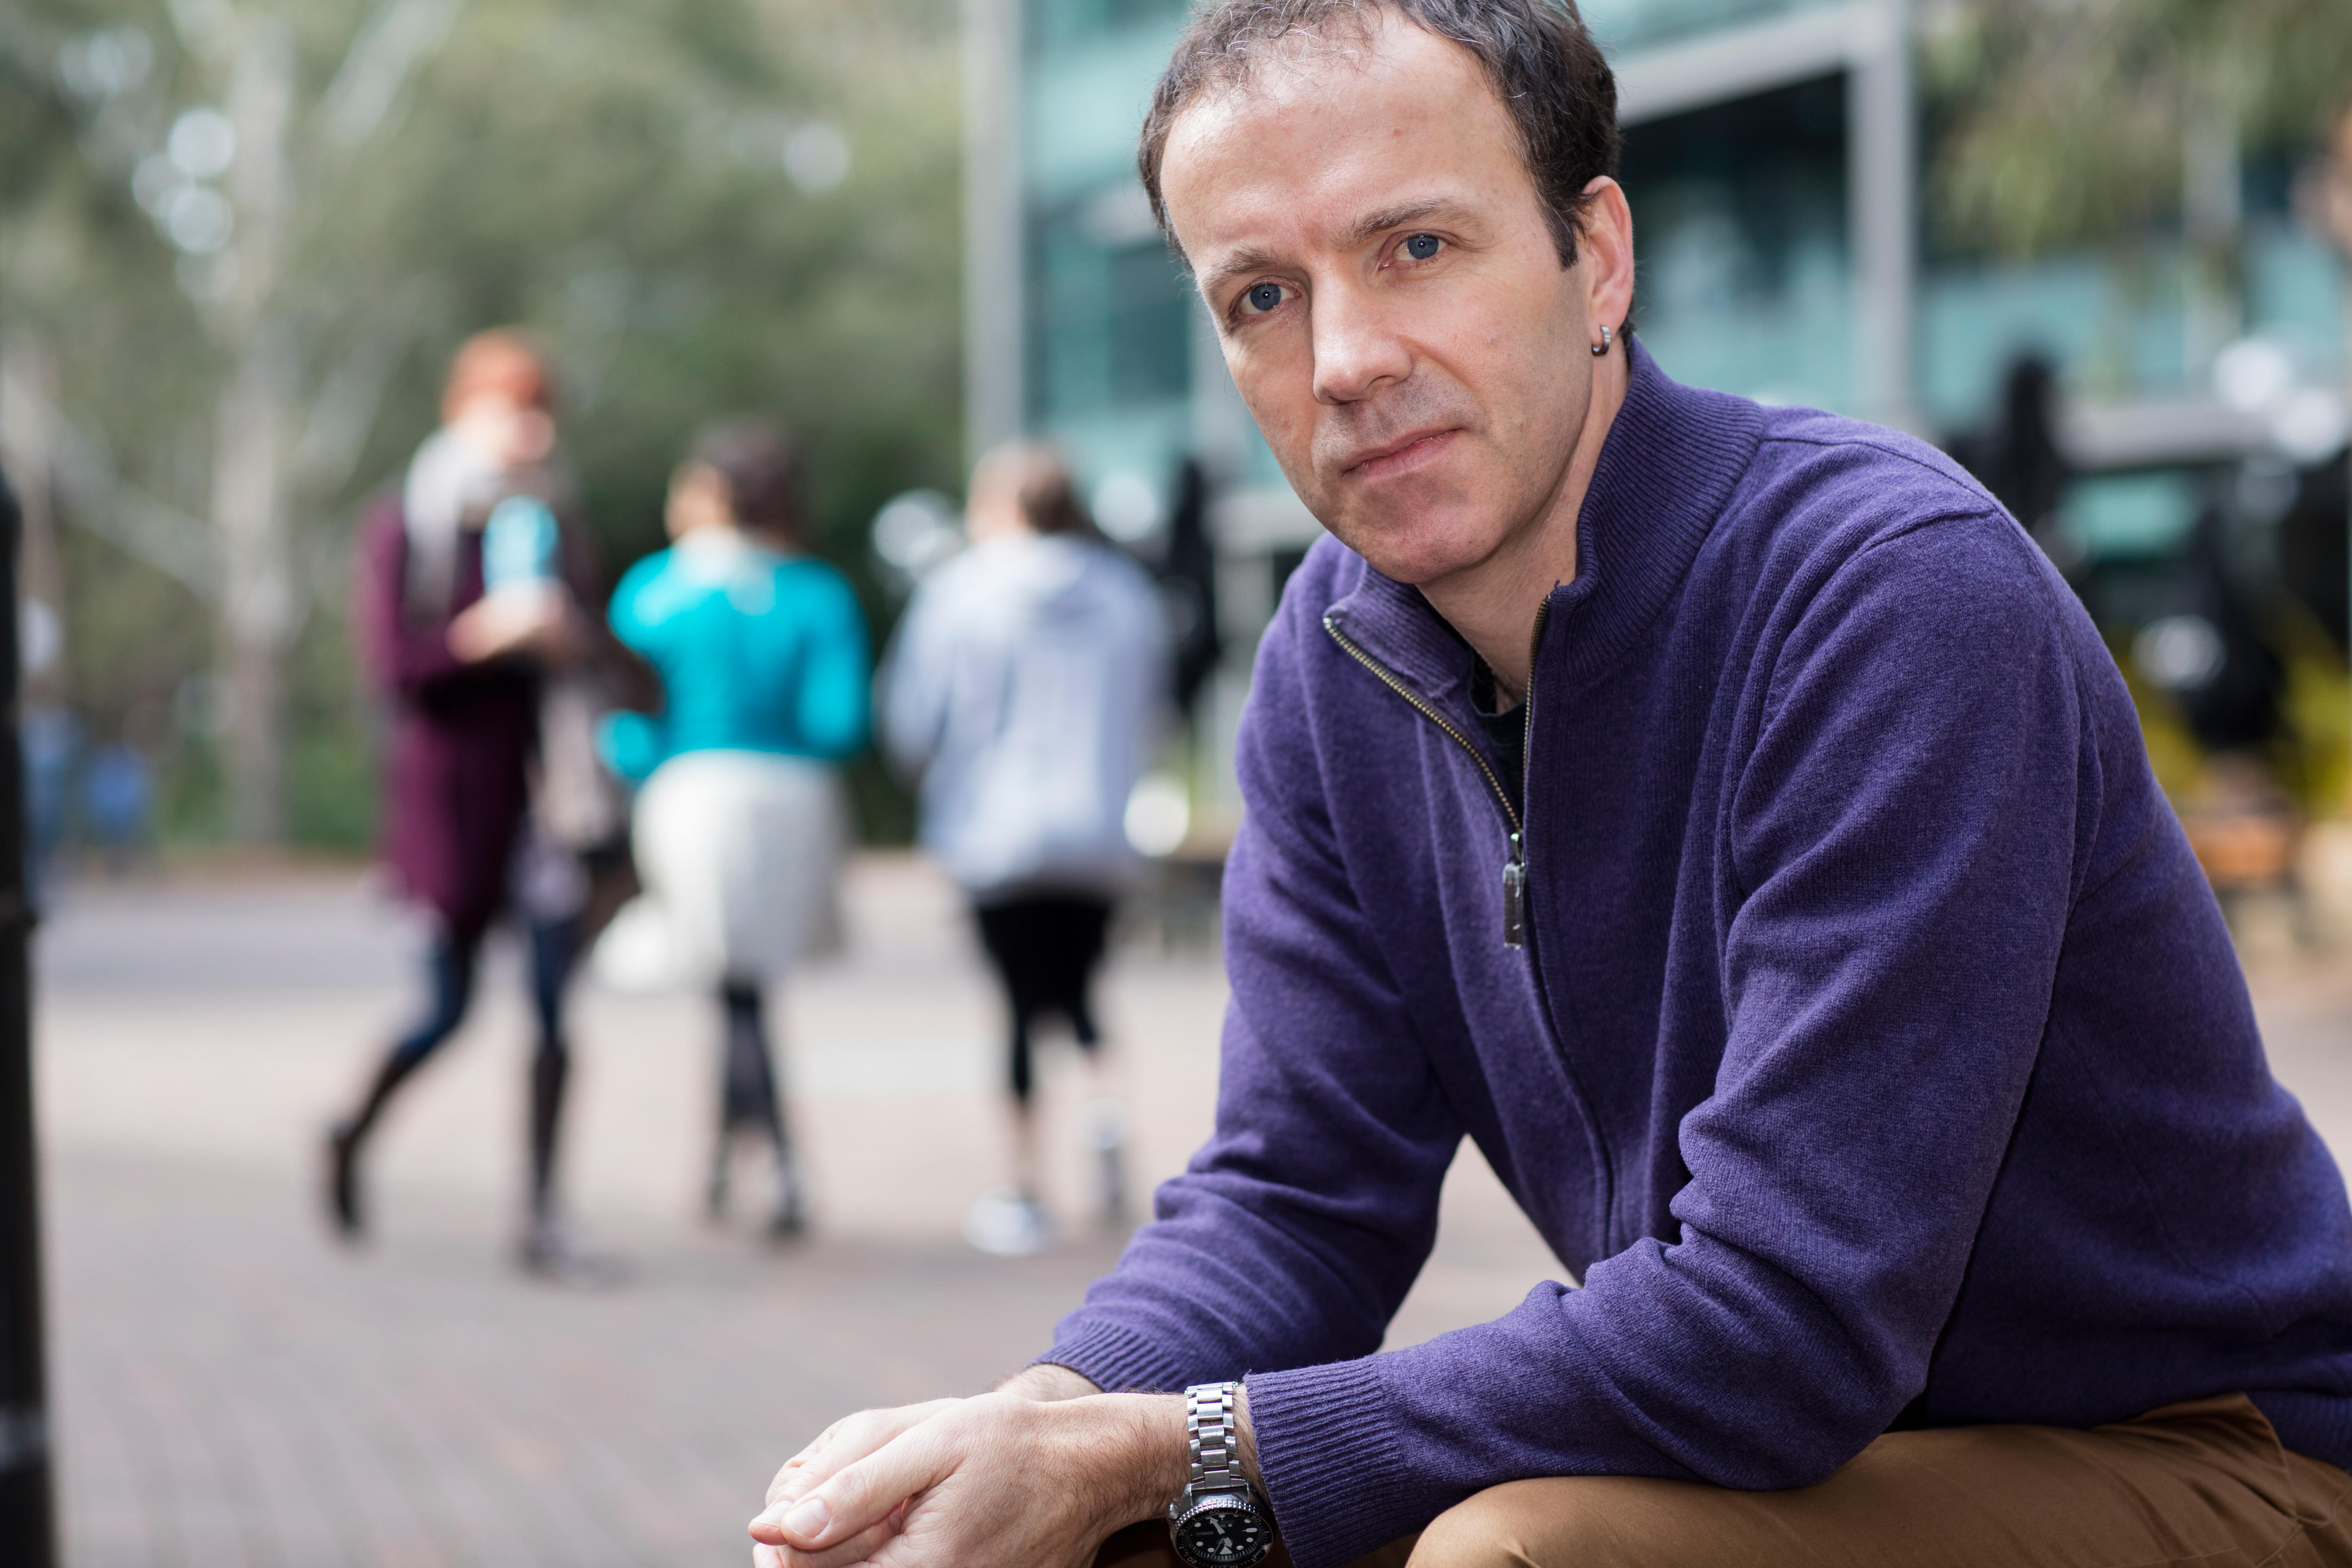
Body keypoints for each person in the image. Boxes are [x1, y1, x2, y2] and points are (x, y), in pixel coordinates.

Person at [747, 4, 2352, 1568]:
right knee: (1100, 1533)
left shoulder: (1890, 597)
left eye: (1416, 249)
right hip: (1799, 1454)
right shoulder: (1333, 659)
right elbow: (1298, 1200)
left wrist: (1172, 1449)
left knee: (1521, 1547)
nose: (1350, 359)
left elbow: (1779, 1322)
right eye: (1260, 296)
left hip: (2211, 1448)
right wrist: (1039, 1430)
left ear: (1598, 254)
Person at [330, 328, 605, 1280]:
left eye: (540, 411)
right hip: (451, 800)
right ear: (465, 411)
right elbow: (396, 668)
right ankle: (350, 1130)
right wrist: (482, 635)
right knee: (445, 1010)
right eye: (509, 409)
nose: (528, 430)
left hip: (547, 801)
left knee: (553, 1011)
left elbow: (596, 648)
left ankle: (541, 1215)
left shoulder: (555, 523)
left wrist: (572, 641)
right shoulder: (410, 523)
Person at [880, 444, 1167, 1257]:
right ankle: (1103, 1110)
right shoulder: (1124, 592)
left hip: (994, 828)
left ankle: (1022, 1185)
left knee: (1014, 1005)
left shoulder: (960, 593)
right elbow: (1154, 705)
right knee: (1083, 987)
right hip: (1098, 827)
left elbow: (912, 718)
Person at [594, 420, 869, 1239]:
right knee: (745, 984)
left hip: (692, 793)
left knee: (732, 985)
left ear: (710, 495)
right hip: (794, 794)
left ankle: (776, 1165)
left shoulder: (653, 590)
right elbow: (839, 719)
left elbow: (625, 726)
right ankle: (728, 1161)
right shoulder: (818, 592)